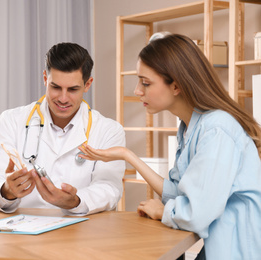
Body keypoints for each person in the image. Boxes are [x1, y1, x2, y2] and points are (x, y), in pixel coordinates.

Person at [79, 34, 261, 259]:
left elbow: (197, 213)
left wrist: (164, 211)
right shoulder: (189, 127)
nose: (137, 91)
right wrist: (128, 156)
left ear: (176, 86)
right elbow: (178, 192)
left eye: (145, 83)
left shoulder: (216, 129)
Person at [0, 42, 126, 216]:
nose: (63, 98)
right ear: (45, 79)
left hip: (81, 231)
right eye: (55, 87)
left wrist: (76, 201)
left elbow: (110, 187)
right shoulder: (10, 121)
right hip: (24, 230)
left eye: (73, 89)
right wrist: (7, 191)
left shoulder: (109, 130)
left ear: (88, 85)